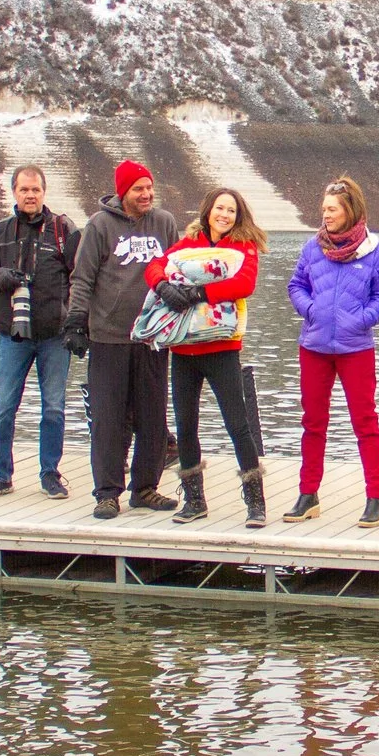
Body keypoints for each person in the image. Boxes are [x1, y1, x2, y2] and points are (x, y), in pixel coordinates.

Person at [64, 160, 178, 519]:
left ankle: (145, 488)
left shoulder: (164, 223)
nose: (146, 195)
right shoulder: (99, 225)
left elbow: (177, 270)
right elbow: (82, 278)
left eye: (149, 187)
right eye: (137, 189)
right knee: (109, 419)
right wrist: (75, 322)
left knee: (153, 417)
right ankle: (107, 492)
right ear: (122, 192)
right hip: (109, 337)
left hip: (152, 338)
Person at [147, 187, 267, 527]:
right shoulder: (187, 245)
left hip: (222, 348)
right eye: (219, 209)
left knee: (237, 425)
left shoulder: (243, 247)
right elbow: (156, 265)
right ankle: (195, 500)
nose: (224, 215)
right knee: (185, 426)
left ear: (238, 215)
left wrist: (200, 291)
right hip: (183, 349)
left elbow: (244, 284)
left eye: (231, 210)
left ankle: (255, 502)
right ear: (208, 211)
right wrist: (163, 287)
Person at [285, 176, 379, 526]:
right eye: (323, 209)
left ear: (350, 210)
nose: (325, 215)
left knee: (365, 422)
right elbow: (297, 285)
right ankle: (308, 494)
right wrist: (310, 309)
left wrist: (364, 319)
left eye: (332, 209)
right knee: (312, 422)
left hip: (355, 347)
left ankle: (375, 497)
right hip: (314, 346)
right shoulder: (312, 247)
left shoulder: (374, 249)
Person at [0, 165, 80, 500]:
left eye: (35, 190)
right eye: (24, 190)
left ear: (44, 192)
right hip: (12, 335)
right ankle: (0, 474)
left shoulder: (63, 230)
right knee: (4, 406)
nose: (30, 195)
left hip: (54, 335)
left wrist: (79, 322)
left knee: (54, 407)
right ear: (13, 193)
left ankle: (50, 474)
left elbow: (83, 277)